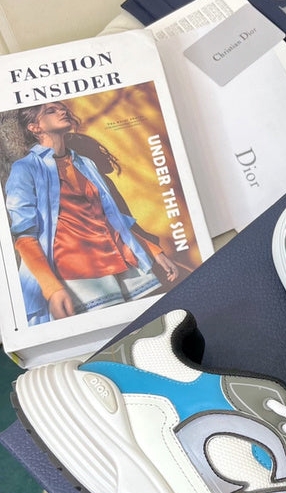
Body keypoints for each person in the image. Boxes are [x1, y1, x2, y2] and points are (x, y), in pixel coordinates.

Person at [4, 101, 177, 325]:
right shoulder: (25, 168)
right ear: (34, 127)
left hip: (123, 264)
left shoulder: (84, 163)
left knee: (156, 323)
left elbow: (111, 218)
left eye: (61, 107)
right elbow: (25, 236)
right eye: (50, 111)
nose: (62, 111)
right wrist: (51, 288)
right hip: (78, 276)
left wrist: (154, 251)